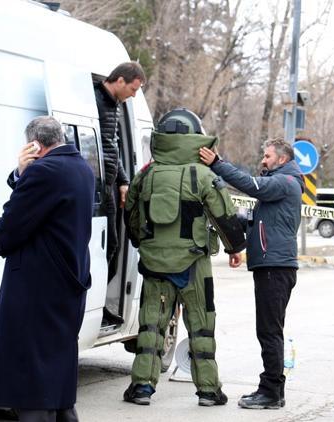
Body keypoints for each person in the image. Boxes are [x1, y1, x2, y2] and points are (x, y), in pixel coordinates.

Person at [123, 108, 246, 407]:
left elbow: (131, 216)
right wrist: (235, 249)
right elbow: (224, 216)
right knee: (201, 325)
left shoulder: (146, 174)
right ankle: (208, 391)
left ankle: (141, 387)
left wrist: (145, 244)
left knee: (151, 325)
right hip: (194, 265)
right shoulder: (203, 175)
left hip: (154, 265)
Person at [0, 116, 95, 422]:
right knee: (56, 370)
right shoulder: (81, 167)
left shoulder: (44, 171)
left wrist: (24, 173)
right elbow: (42, 202)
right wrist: (21, 175)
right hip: (67, 282)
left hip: (36, 286)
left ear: (34, 145)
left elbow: (11, 226)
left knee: (30, 375)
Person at [199, 137, 304, 410]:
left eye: (268, 156)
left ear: (281, 159)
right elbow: (258, 222)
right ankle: (272, 390)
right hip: (271, 267)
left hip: (275, 268)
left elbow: (251, 185)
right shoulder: (281, 185)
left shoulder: (285, 182)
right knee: (269, 330)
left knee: (269, 331)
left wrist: (217, 164)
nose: (263, 160)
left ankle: (270, 392)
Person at [94, 61, 146, 285]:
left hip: (110, 185)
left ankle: (99, 303)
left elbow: (112, 145)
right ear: (120, 80)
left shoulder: (113, 104)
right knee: (106, 246)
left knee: (112, 245)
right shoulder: (95, 100)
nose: (134, 96)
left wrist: (123, 181)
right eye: (133, 89)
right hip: (96, 186)